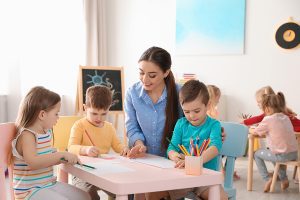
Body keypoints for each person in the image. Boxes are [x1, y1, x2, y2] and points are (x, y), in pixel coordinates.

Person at [147, 80, 227, 200]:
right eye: (186, 111)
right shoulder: (181, 124)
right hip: (182, 178)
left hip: (205, 178)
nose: (191, 116)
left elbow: (215, 147)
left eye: (196, 111)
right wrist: (174, 155)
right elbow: (171, 148)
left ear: (208, 105)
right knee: (150, 194)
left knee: (222, 198)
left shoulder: (214, 124)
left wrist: (197, 161)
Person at [12, 86, 90, 200]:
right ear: (42, 115)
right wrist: (60, 155)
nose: (58, 118)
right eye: (56, 114)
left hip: (47, 184)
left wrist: (63, 158)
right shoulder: (27, 136)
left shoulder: (46, 132)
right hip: (29, 192)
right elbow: (34, 163)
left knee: (85, 196)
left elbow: (46, 158)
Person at [68, 85, 129, 200]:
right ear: (85, 108)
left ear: (108, 109)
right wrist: (85, 150)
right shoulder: (79, 126)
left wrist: (124, 149)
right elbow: (71, 148)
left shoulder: (109, 127)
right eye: (94, 113)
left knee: (124, 191)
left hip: (104, 171)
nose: (99, 118)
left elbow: (117, 146)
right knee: (88, 195)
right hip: (82, 172)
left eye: (103, 114)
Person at [125, 46, 181, 158]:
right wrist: (139, 145)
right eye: (141, 73)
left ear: (166, 73)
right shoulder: (132, 93)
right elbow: (132, 127)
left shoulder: (180, 93)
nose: (145, 80)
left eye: (152, 75)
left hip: (174, 161)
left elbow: (195, 121)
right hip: (144, 159)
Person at [251, 92, 298, 192]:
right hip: (294, 154)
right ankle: (284, 179)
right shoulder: (285, 117)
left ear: (267, 108)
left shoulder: (268, 119)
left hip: (281, 155)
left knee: (257, 154)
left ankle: (267, 178)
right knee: (273, 153)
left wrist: (250, 129)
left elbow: (255, 131)